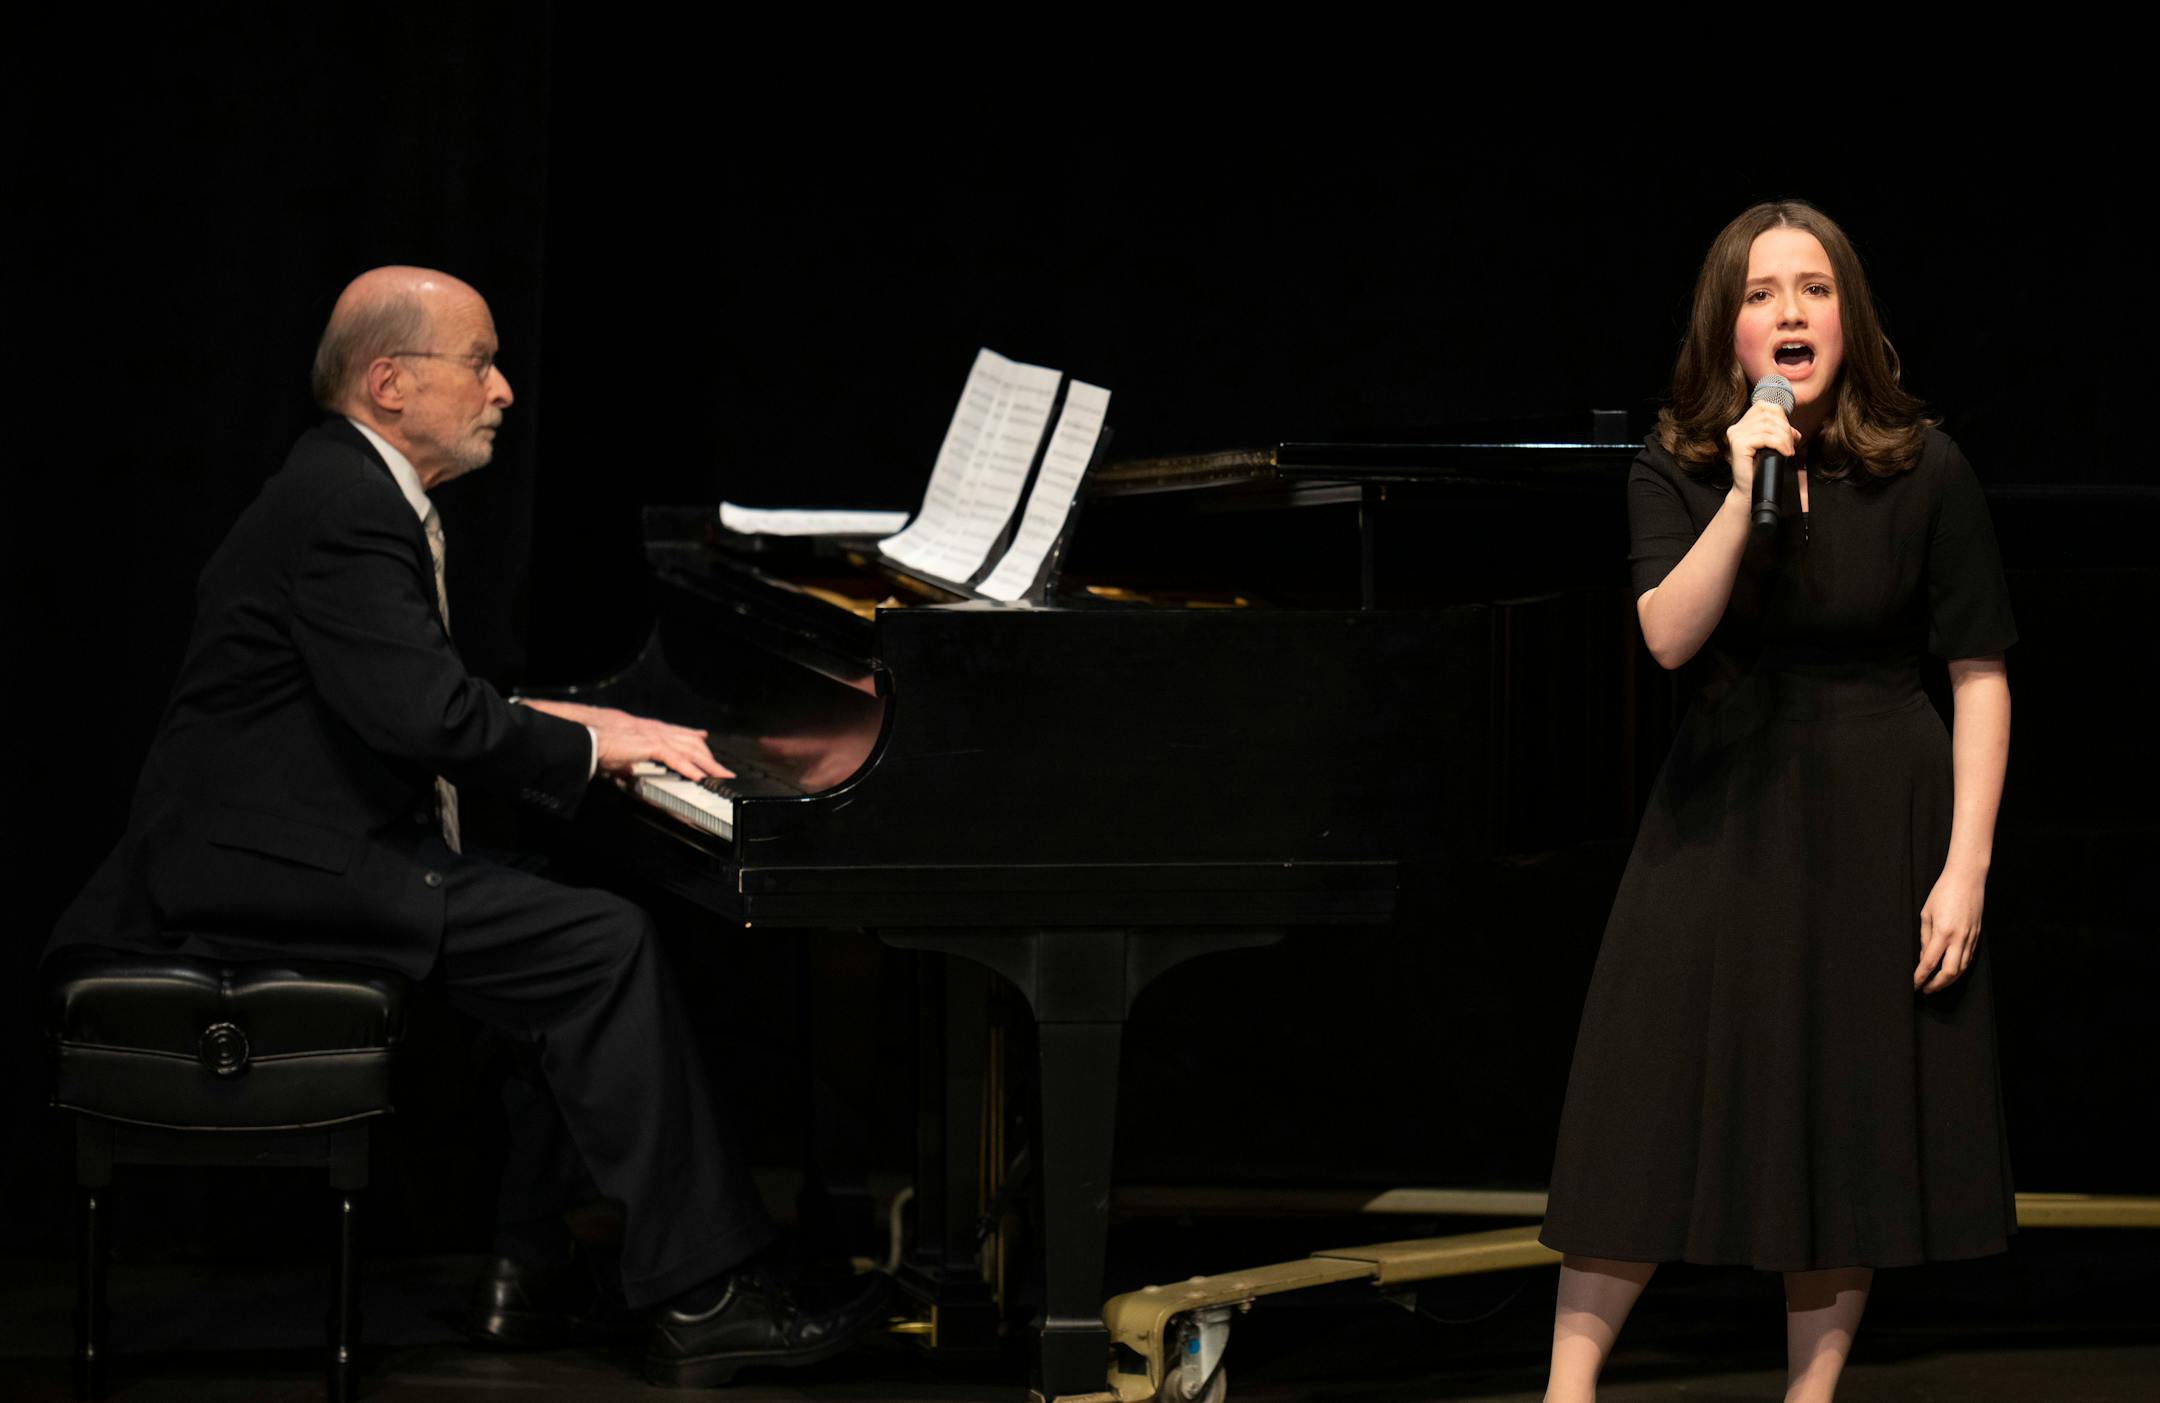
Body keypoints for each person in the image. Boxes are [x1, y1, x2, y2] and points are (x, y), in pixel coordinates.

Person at [46, 266, 887, 1388]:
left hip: (284, 847)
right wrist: (600, 746)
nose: (503, 390)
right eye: (479, 361)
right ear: (389, 381)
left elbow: (408, 686)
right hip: (259, 869)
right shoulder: (346, 504)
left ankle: (531, 1272)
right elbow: (429, 715)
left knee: (559, 922)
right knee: (596, 943)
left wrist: (593, 718)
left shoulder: (342, 485)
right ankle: (705, 1297)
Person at [1537, 203, 2016, 1403]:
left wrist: (1964, 867)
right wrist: (1750, 472)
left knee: (1837, 1115)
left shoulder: (1925, 465)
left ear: (1849, 316)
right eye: (1762, 293)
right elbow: (1666, 637)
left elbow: (1979, 672)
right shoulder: (1678, 463)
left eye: (1813, 289)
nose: (1790, 311)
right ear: (1729, 326)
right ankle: (1569, 1387)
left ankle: (1814, 1393)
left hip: (1878, 811)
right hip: (1723, 804)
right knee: (1638, 1098)